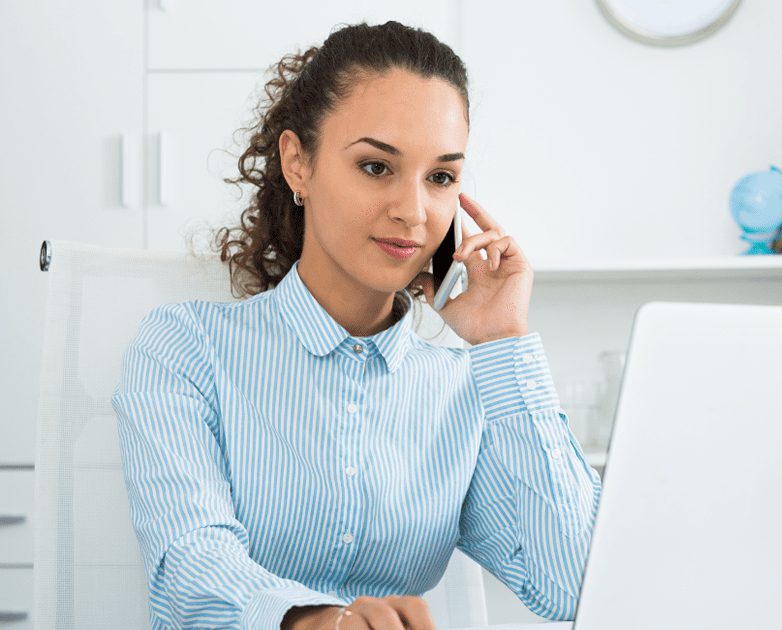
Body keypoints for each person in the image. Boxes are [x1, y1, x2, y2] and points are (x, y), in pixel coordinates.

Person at [110, 19, 602, 630]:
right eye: (376, 167)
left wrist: (504, 343)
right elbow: (189, 565)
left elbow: (580, 587)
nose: (413, 211)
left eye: (441, 177)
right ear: (299, 164)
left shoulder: (463, 388)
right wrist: (316, 622)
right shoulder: (186, 348)